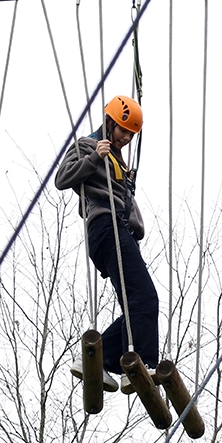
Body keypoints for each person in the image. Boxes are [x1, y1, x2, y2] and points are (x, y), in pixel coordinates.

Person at [56, 95, 159, 392]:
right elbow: (62, 179)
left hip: (118, 233)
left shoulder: (119, 160)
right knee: (145, 298)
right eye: (122, 131)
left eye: (131, 134)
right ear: (110, 123)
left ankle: (97, 361)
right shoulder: (89, 145)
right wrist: (94, 158)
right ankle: (141, 364)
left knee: (137, 304)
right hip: (107, 228)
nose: (126, 138)